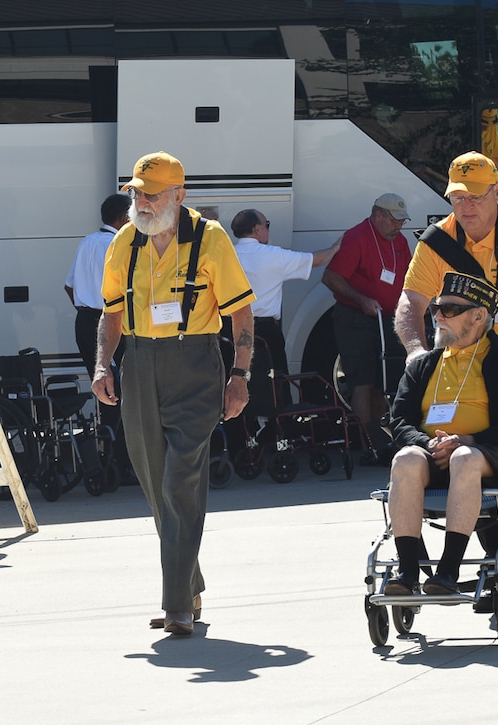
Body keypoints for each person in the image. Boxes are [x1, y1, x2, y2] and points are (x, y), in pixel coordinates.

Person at [92, 151, 256, 636]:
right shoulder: (124, 242)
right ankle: (191, 583)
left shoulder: (211, 238)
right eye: (136, 193)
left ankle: (177, 606)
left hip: (195, 364)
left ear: (179, 195)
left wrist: (240, 374)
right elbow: (111, 311)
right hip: (139, 365)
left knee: (178, 482)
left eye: (151, 193)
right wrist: (103, 364)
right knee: (154, 483)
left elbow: (242, 314)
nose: (141, 202)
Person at [394, 150, 498, 573]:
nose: (465, 207)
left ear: (497, 193)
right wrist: (418, 354)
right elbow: (410, 301)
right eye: (457, 198)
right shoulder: (438, 239)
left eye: (475, 197)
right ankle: (496, 556)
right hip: (464, 355)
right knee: (465, 445)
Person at [384, 272, 498, 595]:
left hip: (486, 460)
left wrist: (469, 441)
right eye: (437, 307)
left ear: (479, 316)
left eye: (449, 309)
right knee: (405, 459)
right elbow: (398, 420)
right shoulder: (424, 365)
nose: (438, 315)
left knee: (464, 459)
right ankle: (409, 574)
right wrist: (427, 443)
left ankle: (447, 573)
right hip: (432, 457)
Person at [321, 193, 413, 451]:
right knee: (362, 382)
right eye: (395, 220)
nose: (399, 225)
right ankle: (367, 444)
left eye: (402, 221)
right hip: (355, 317)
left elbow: (409, 277)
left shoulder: (400, 241)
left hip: (387, 318)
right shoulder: (357, 237)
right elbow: (330, 277)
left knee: (385, 382)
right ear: (378, 215)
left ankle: (385, 439)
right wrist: (361, 300)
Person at [229, 208, 340, 376]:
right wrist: (335, 248)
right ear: (257, 229)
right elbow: (315, 260)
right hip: (264, 332)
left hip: (231, 330)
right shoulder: (273, 255)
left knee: (234, 379)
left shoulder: (227, 254)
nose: (267, 229)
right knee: (274, 388)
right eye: (266, 225)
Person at [65, 193, 131, 378]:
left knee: (100, 383)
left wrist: (85, 307)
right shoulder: (119, 244)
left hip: (84, 322)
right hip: (111, 322)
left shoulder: (87, 241)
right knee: (121, 387)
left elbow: (68, 286)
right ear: (125, 217)